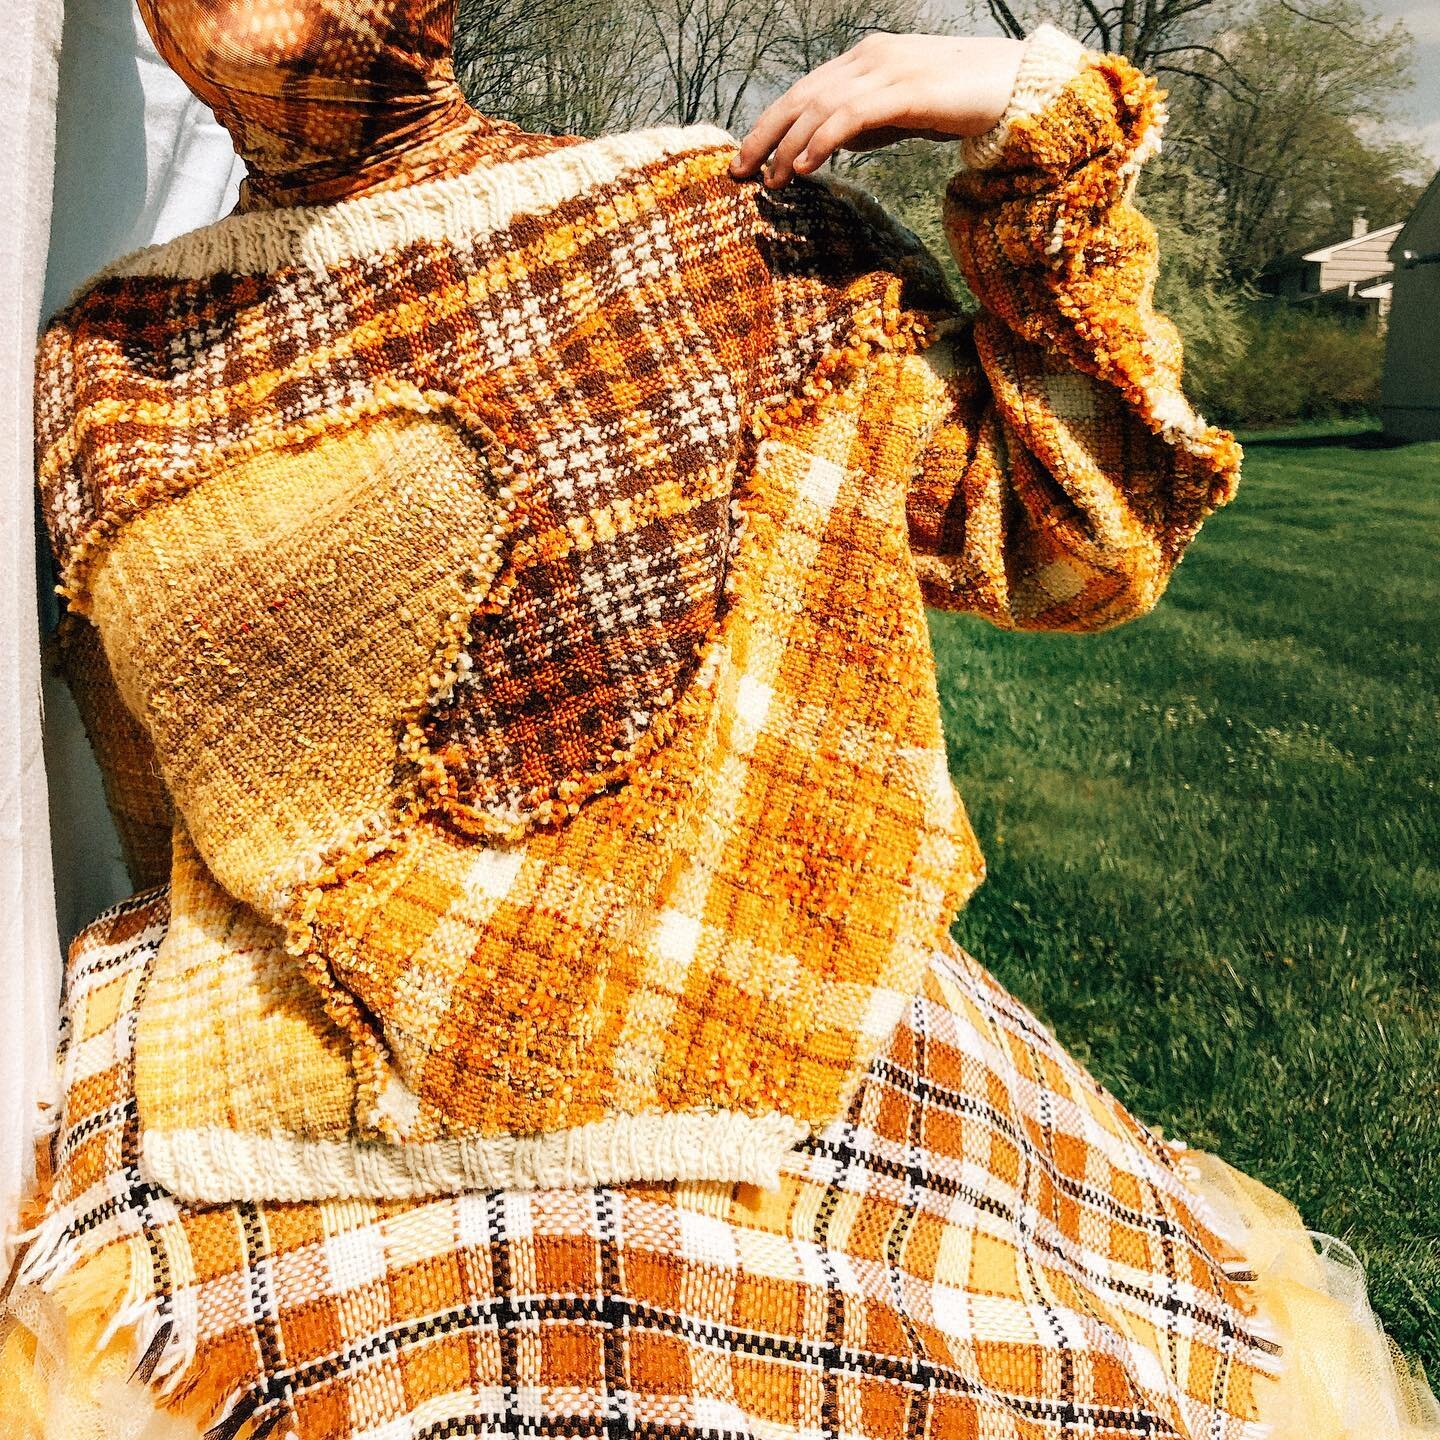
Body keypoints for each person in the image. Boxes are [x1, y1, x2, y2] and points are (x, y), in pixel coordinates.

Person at [2, 2, 1434, 1437]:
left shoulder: (715, 233)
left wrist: (1037, 132)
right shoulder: (101, 359)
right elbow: (156, 805)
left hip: (769, 1065)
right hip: (275, 1130)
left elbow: (1077, 537)